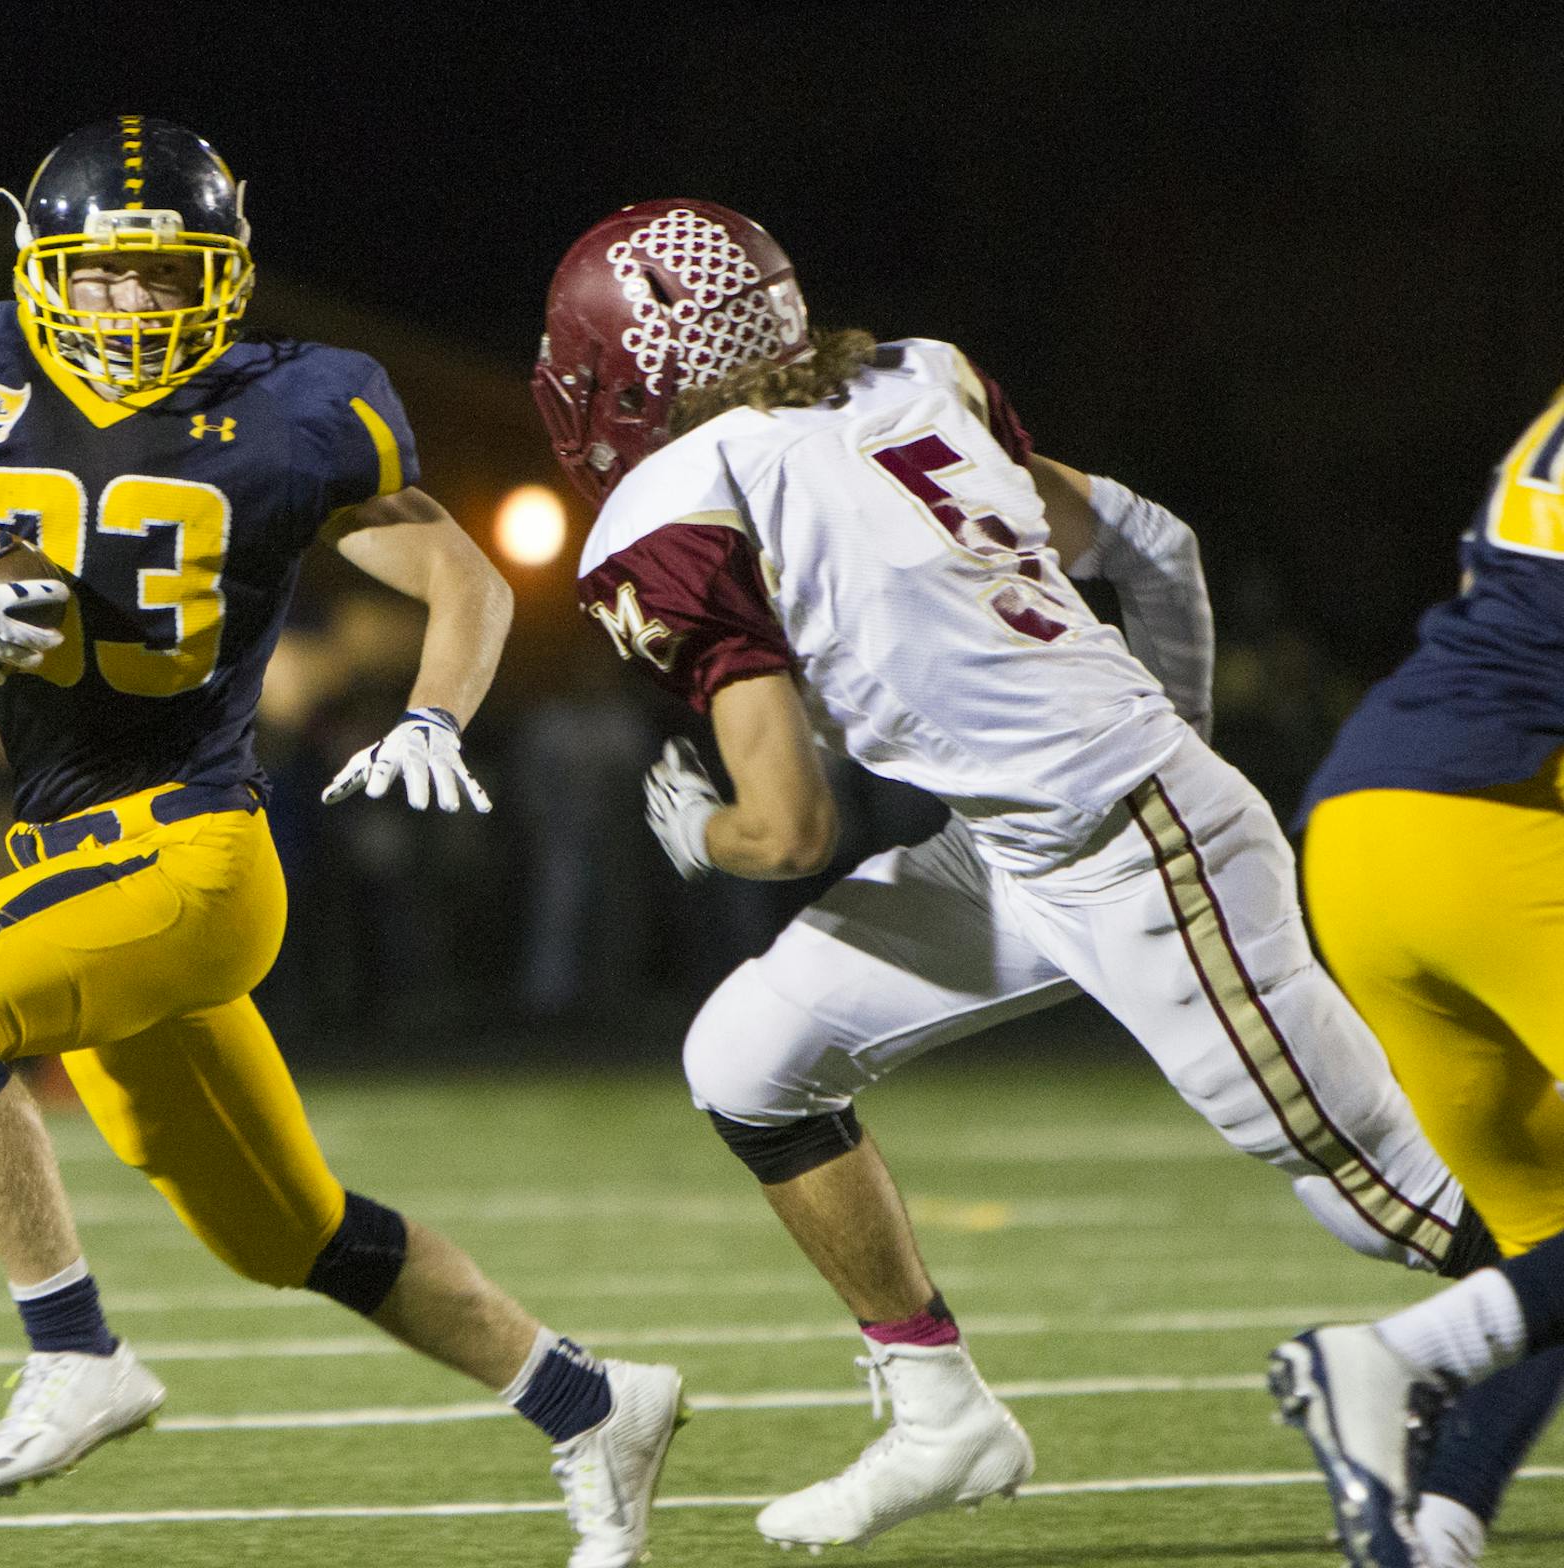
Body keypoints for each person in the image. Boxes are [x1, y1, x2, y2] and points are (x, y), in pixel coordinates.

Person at [529, 199, 1507, 1555]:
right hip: (1026, 840)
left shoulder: (680, 500)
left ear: (633, 372)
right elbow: (1158, 547)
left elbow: (789, 829)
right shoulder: (917, 375)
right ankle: (940, 1415)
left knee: (1398, 1203)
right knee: (751, 1061)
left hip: (1127, 839)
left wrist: (696, 833)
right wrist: (1170, 745)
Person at [0, 118, 685, 1568]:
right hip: (83, 858)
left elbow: (465, 577)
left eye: (168, 273)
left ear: (226, 274)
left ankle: (74, 1351)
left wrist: (437, 718)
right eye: (107, 274)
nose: (137, 304)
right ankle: (594, 1404)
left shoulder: (292, 410)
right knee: (286, 1234)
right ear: (44, 272)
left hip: (197, 856)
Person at [1270, 381, 1564, 1568]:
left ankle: (1435, 1525)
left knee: (1550, 1234)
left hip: (1360, 834)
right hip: (1491, 819)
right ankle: (1398, 1356)